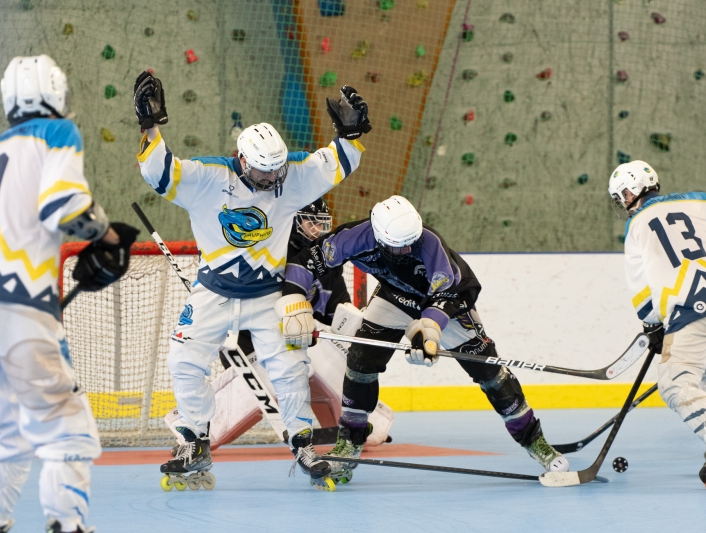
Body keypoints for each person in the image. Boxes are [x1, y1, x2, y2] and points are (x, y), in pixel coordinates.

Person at [132, 71, 371, 492]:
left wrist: (350, 134)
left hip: (267, 297)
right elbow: (160, 174)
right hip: (212, 293)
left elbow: (333, 164)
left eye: (277, 170)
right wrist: (149, 127)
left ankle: (303, 444)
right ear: (242, 159)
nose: (272, 180)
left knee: (290, 368)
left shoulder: (289, 174)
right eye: (264, 172)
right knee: (183, 362)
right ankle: (194, 441)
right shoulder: (207, 178)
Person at [278, 195, 570, 484]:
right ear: (379, 237)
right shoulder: (353, 237)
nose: (407, 248)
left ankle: (535, 442)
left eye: (411, 241)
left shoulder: (429, 243)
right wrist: (293, 301)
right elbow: (306, 262)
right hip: (394, 296)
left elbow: (444, 294)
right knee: (360, 360)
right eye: (398, 244)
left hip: (449, 301)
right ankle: (350, 444)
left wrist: (428, 330)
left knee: (490, 374)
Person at [0, 55, 139, 533]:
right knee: (67, 426)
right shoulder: (55, 134)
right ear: (55, 95)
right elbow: (65, 208)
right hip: (24, 312)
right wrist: (108, 236)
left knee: (4, 430)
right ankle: (66, 524)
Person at [164, 198, 393, 451]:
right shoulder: (272, 258)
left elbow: (335, 317)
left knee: (330, 366)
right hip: (253, 346)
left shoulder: (329, 263)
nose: (318, 228)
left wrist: (351, 324)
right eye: (311, 222)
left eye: (322, 222)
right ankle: (194, 434)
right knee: (285, 362)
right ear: (294, 222)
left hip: (301, 345)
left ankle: (354, 426)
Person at [609, 160, 706, 489]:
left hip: (692, 310)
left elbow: (642, 293)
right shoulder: (698, 200)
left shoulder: (637, 227)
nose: (623, 202)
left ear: (631, 192)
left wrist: (654, 326)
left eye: (622, 196)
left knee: (673, 382)